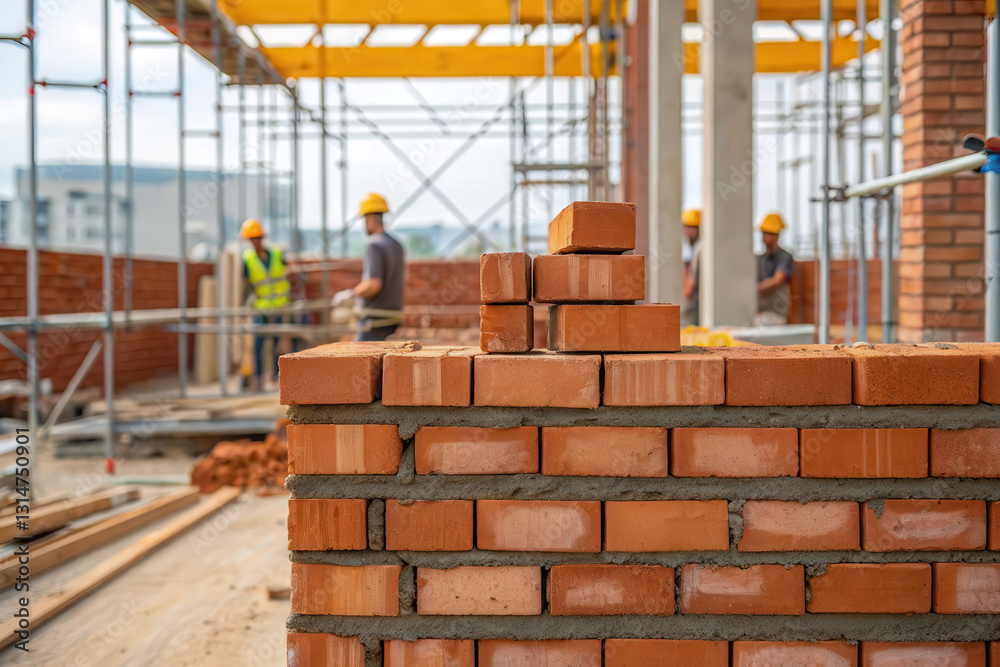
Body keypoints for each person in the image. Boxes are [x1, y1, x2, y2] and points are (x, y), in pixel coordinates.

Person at [333, 193, 405, 341]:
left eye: (365, 219)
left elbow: (373, 284)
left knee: (359, 362)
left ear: (370, 218)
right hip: (392, 319)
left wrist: (350, 294)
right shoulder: (396, 245)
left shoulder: (374, 245)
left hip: (375, 321)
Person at [240, 218, 291, 389]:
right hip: (261, 308)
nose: (255, 242)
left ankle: (278, 377)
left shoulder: (276, 255)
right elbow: (246, 283)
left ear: (262, 238)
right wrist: (246, 302)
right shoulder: (248, 259)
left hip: (278, 306)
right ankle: (258, 378)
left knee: (279, 343)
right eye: (251, 239)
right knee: (258, 344)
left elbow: (288, 271)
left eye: (257, 238)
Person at [755, 212, 794, 326]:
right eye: (764, 233)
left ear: (776, 235)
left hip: (776, 314)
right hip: (759, 311)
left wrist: (752, 289)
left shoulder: (785, 257)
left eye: (768, 233)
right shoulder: (760, 258)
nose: (765, 237)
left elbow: (778, 280)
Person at [681, 209, 701, 326]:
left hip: (695, 308)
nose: (688, 231)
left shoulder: (699, 249)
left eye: (692, 227)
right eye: (686, 227)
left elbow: (689, 289)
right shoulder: (692, 250)